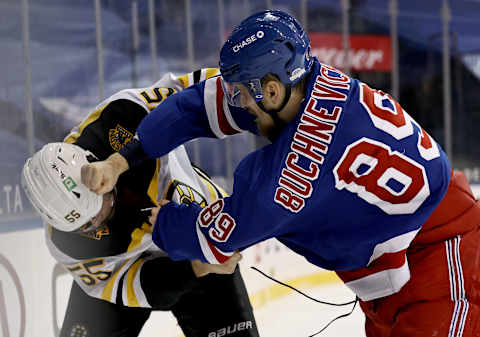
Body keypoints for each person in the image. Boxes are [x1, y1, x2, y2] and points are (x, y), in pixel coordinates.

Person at [81, 10, 480, 337]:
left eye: (241, 92)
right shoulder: (304, 82)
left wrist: (162, 222)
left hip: (444, 258)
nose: (236, 101)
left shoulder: (299, 166)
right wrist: (120, 161)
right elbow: (192, 108)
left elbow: (220, 236)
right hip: (406, 256)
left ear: (270, 90)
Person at [21, 69, 260, 337]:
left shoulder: (121, 116)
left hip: (200, 235)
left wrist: (254, 84)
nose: (98, 220)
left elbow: (195, 91)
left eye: (99, 206)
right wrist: (194, 269)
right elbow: (138, 286)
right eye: (86, 224)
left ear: (90, 160)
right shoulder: (70, 246)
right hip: (140, 268)